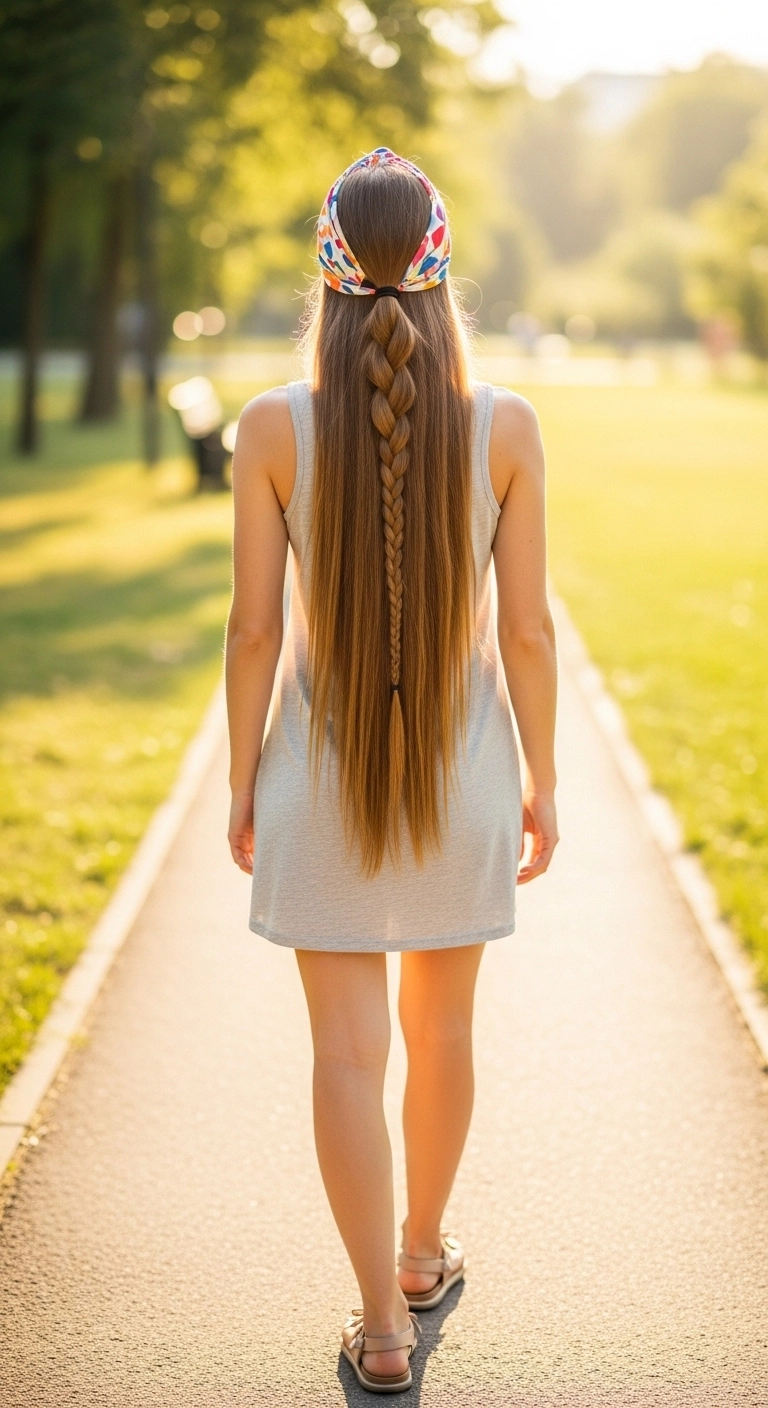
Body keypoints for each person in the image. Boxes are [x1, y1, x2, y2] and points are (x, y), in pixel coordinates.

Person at [225, 148, 558, 1394]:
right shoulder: (507, 423)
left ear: (325, 261)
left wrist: (240, 781)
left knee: (346, 1053)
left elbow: (254, 632)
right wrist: (548, 777)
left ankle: (377, 1324)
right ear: (439, 257)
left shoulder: (271, 424)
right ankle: (423, 1251)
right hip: (460, 769)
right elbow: (526, 632)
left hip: (320, 776)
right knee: (445, 1025)